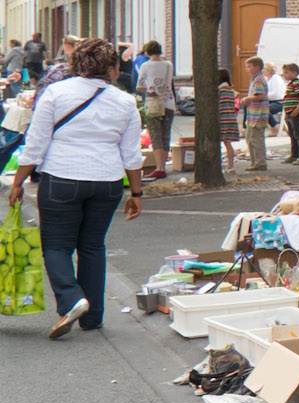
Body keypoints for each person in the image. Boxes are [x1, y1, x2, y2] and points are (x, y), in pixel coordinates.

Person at [7, 38, 144, 340]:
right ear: (111, 67)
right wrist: (136, 194)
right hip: (107, 181)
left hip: (61, 178)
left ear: (76, 63)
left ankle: (71, 299)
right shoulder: (125, 102)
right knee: (93, 246)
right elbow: (132, 155)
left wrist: (17, 182)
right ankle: (93, 316)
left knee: (56, 246)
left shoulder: (56, 93)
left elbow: (36, 145)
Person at [136, 42, 174, 180]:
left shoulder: (145, 66)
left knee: (155, 135)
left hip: (153, 104)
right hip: (169, 103)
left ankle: (159, 168)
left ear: (147, 52)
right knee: (165, 134)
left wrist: (150, 89)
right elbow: (168, 82)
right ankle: (163, 165)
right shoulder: (168, 65)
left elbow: (139, 86)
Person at [241, 57, 271, 170]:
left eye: (249, 66)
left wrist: (248, 99)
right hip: (252, 114)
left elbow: (261, 95)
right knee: (249, 138)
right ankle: (254, 162)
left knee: (256, 139)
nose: (247, 69)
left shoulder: (258, 79)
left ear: (257, 67)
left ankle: (260, 162)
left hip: (258, 115)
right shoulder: (254, 79)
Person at [280, 63, 299, 165]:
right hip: (289, 112)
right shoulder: (290, 84)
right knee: (292, 134)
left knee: (298, 134)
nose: (285, 75)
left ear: (294, 73)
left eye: (287, 73)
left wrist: (298, 108)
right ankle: (294, 154)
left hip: (295, 112)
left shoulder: (296, 83)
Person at [215, 69, 239, 170]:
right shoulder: (231, 91)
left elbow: (218, 105)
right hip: (231, 119)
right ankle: (231, 165)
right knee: (228, 143)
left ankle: (225, 165)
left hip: (222, 119)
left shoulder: (220, 91)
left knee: (221, 143)